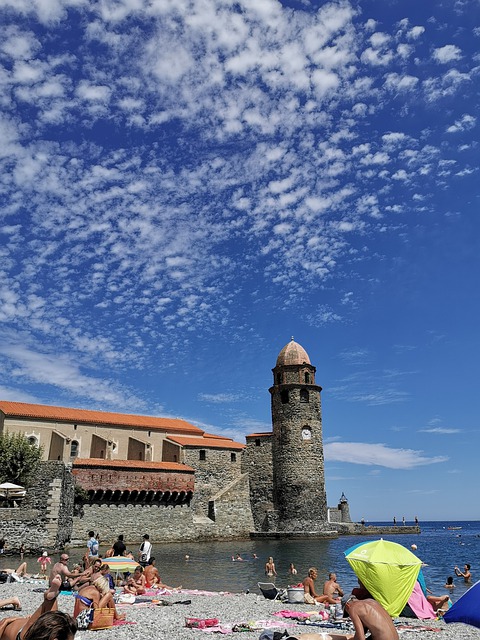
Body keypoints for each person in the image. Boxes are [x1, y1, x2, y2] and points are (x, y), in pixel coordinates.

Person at [0, 574, 64, 640]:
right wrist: (6, 621)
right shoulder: (6, 622)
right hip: (23, 633)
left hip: (26, 630)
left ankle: (51, 597)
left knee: (53, 626)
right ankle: (50, 597)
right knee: (52, 623)